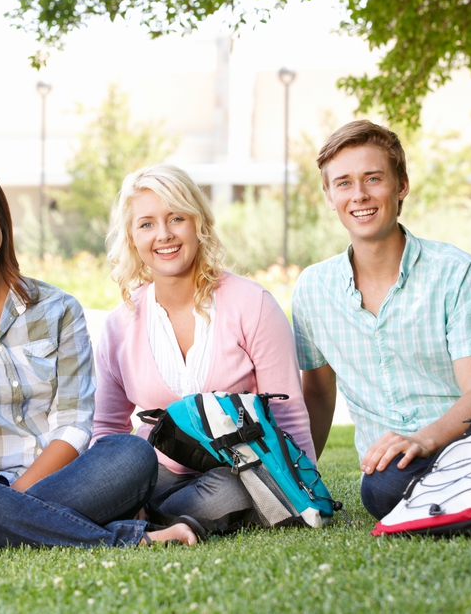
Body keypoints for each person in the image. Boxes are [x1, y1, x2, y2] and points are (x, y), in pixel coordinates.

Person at [0, 161, 201, 550]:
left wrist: (11, 500)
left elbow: (74, 425)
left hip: (63, 480)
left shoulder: (58, 308)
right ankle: (118, 539)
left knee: (131, 452)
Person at [289, 120, 471, 519]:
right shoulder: (312, 288)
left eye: (373, 178)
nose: (360, 195)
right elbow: (317, 393)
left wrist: (423, 439)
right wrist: (300, 483)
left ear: (401, 185)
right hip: (397, 470)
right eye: (344, 183)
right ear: (329, 196)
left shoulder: (456, 271)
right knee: (383, 489)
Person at [92, 164, 316, 533]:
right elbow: (107, 429)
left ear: (198, 223)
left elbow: (288, 412)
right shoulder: (120, 325)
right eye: (146, 224)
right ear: (132, 237)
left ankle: (148, 519)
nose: (163, 235)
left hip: (236, 470)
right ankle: (147, 513)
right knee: (127, 470)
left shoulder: (253, 303)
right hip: (154, 473)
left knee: (233, 490)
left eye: (176, 218)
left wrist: (303, 489)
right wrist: (115, 489)